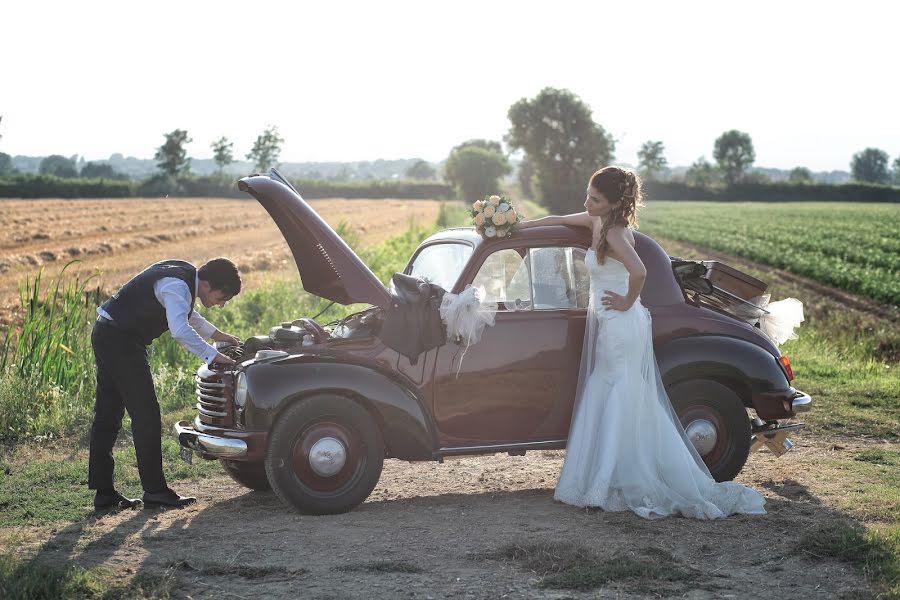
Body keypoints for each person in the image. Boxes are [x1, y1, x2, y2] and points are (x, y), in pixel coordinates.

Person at [518, 167, 766, 519]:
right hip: (609, 323)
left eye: (595, 199)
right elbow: (558, 218)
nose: (588, 203)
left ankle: (617, 480)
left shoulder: (616, 232)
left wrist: (626, 301)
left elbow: (640, 272)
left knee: (622, 390)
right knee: (608, 387)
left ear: (615, 203)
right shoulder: (595, 220)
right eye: (588, 195)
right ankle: (608, 475)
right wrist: (516, 227)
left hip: (621, 323)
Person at [89, 258, 242, 511]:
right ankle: (155, 491)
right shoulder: (177, 285)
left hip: (108, 332)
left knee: (108, 416)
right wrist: (214, 356)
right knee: (146, 415)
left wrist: (220, 337)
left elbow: (189, 315)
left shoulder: (184, 276)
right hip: (121, 341)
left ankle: (104, 494)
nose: (222, 304)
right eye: (222, 296)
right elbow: (180, 329)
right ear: (208, 284)